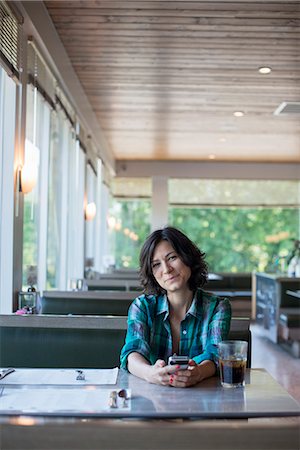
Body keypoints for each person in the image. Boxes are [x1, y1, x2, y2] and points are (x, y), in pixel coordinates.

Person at [120, 226, 231, 387]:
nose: (166, 270)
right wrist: (150, 373)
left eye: (172, 258)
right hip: (151, 401)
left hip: (202, 401)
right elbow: (132, 351)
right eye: (156, 264)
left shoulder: (218, 307)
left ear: (188, 257)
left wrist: (198, 372)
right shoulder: (142, 306)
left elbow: (215, 354)